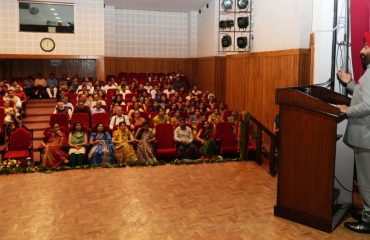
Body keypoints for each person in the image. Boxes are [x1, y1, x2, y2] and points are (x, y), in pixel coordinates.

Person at [337, 32, 370, 233]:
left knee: (366, 181)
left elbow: (367, 104)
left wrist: (346, 110)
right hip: (365, 136)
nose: (361, 50)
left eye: (366, 46)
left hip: (366, 137)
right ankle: (367, 212)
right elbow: (363, 94)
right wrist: (349, 83)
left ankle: (368, 220)